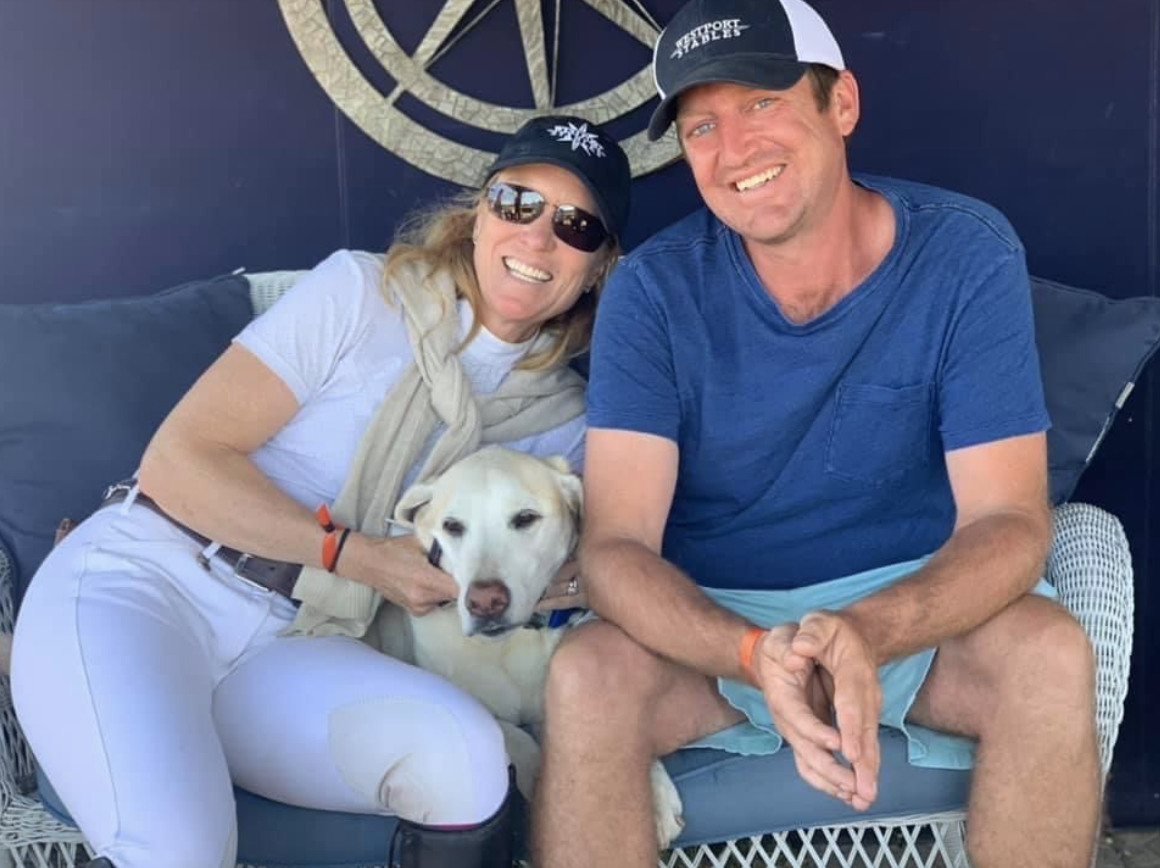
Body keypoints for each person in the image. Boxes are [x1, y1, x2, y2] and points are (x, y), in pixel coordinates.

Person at [531, 2, 1100, 867]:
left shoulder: (963, 252)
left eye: (762, 103)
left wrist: (869, 630)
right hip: (721, 621)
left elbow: (1011, 525)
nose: (734, 148)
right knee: (588, 675)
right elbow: (615, 548)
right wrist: (753, 651)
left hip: (916, 603)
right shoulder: (653, 290)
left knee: (1049, 654)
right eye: (702, 126)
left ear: (842, 105)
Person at [12, 113, 630, 868]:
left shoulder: (565, 423)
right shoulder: (360, 294)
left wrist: (551, 574)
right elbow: (181, 460)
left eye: (575, 225)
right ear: (479, 214)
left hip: (295, 638)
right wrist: (354, 555)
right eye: (517, 202)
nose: (537, 237)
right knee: (178, 849)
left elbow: (591, 561)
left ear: (598, 264)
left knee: (467, 758)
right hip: (149, 580)